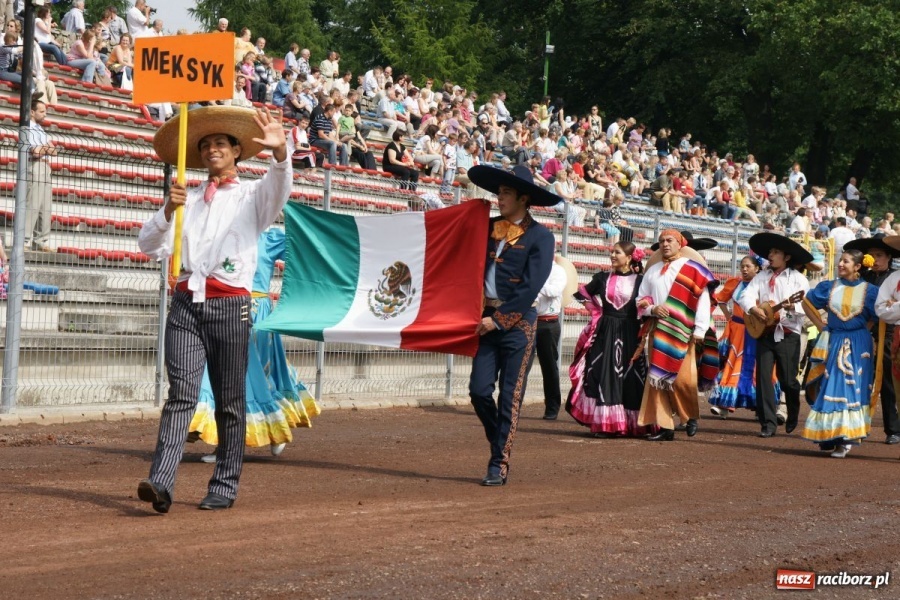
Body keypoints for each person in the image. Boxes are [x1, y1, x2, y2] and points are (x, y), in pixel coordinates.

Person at [135, 107, 291, 513]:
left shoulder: (250, 196)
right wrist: (168, 211)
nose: (212, 149)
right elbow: (148, 246)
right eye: (205, 145)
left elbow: (279, 189)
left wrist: (280, 155)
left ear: (237, 151)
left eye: (220, 143)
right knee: (181, 395)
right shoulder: (186, 200)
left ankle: (224, 483)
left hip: (230, 305)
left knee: (229, 399)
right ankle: (161, 481)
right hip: (187, 303)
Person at [188, 228, 320, 461]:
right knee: (223, 375)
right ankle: (223, 444)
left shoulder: (267, 239)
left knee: (259, 377)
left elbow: (302, 249)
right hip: (225, 309)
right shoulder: (221, 232)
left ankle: (275, 431)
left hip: (257, 314)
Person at [467, 165, 557, 486]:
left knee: (509, 397)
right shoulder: (488, 226)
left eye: (505, 193)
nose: (498, 197)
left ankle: (498, 464)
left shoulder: (542, 237)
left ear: (523, 198)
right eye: (499, 192)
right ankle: (499, 441)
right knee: (478, 392)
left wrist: (499, 320)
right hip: (484, 319)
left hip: (519, 324)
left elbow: (530, 287)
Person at [636, 231, 716, 440]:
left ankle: (689, 417)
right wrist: (652, 309)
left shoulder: (693, 270)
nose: (664, 244)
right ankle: (665, 427)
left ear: (680, 244)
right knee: (657, 379)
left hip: (683, 331)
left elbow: (703, 300)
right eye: (661, 241)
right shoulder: (652, 271)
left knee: (683, 380)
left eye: (669, 240)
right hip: (658, 330)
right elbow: (640, 300)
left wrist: (700, 330)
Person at [567, 243, 654, 437]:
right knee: (605, 372)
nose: (612, 255)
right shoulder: (601, 278)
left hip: (631, 331)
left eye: (617, 252)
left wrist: (645, 314)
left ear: (630, 257)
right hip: (605, 331)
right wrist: (596, 312)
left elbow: (649, 303)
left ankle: (634, 423)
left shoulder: (641, 281)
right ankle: (608, 424)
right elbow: (582, 294)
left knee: (632, 375)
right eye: (611, 252)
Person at [800, 250, 879, 457]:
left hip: (859, 343)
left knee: (853, 387)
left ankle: (846, 438)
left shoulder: (870, 291)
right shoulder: (829, 287)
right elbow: (807, 303)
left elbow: (877, 314)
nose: (840, 264)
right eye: (840, 261)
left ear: (857, 267)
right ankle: (831, 434)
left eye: (845, 261)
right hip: (834, 340)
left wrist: (864, 329)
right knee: (831, 384)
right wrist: (820, 324)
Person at [739, 233, 812, 437]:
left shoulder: (798, 279)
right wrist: (753, 310)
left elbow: (804, 306)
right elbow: (746, 296)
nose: (771, 255)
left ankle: (793, 411)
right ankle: (768, 423)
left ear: (787, 257)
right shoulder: (761, 277)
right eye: (770, 252)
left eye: (776, 252)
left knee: (788, 380)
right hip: (765, 334)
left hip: (788, 334)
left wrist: (791, 307)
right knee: (763, 379)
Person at [845, 234, 900, 444]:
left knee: (887, 383)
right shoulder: (861, 279)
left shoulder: (895, 278)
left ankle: (893, 429)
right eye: (871, 255)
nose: (875, 259)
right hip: (860, 334)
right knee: (855, 380)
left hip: (887, 335)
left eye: (879, 255)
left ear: (889, 257)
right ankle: (854, 426)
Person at [708, 255, 778, 417]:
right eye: (742, 266)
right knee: (732, 363)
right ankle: (725, 404)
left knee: (760, 365)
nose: (744, 269)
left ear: (757, 268)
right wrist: (729, 317)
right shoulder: (735, 283)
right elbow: (721, 300)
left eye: (748, 266)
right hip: (737, 331)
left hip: (758, 331)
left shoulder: (765, 285)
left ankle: (761, 406)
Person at [532, 258, 568, 420]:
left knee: (549, 366)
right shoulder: (531, 267)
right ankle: (512, 406)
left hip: (548, 323)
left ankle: (552, 407)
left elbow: (554, 291)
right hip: (529, 321)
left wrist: (534, 284)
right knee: (520, 366)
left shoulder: (558, 271)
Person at [22, 95, 56, 252]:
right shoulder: (27, 128)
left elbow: (53, 150)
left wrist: (43, 149)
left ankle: (41, 239)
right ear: (32, 112)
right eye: (41, 111)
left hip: (45, 166)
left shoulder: (40, 130)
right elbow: (35, 152)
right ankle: (26, 239)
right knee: (33, 203)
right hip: (35, 166)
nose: (45, 114)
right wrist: (45, 148)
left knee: (45, 205)